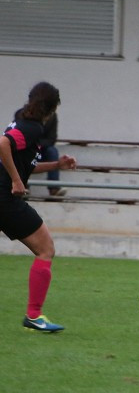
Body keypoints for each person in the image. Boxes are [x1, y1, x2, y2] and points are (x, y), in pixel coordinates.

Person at [1, 82, 77, 332]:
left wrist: (57, 165)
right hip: (5, 199)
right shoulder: (31, 128)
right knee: (46, 248)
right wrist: (15, 179)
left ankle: (34, 316)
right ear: (53, 109)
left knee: (45, 249)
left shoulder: (22, 120)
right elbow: (3, 144)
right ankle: (34, 316)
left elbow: (26, 164)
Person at [14, 109, 64, 197]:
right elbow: (19, 136)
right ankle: (23, 186)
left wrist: (37, 144)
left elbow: (51, 139)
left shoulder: (52, 116)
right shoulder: (21, 114)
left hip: (42, 150)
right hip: (27, 149)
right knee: (22, 151)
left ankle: (54, 189)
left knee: (52, 151)